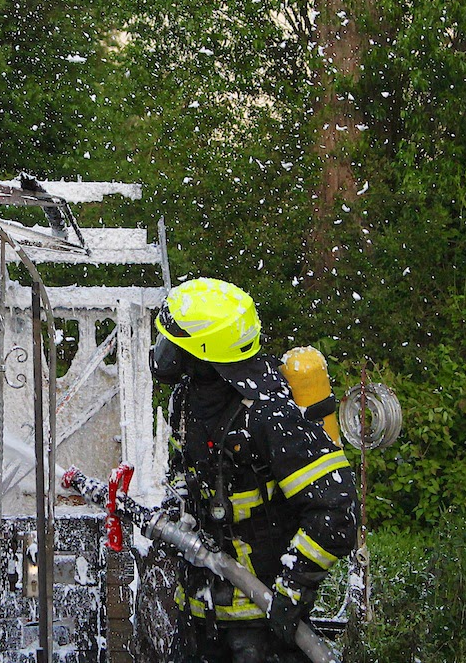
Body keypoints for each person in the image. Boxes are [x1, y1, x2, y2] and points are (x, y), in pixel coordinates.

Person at [151, 277, 359, 663]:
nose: (164, 354)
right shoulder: (186, 399)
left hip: (262, 627)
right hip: (199, 614)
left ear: (205, 352)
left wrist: (293, 589)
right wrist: (175, 510)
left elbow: (336, 510)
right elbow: (183, 473)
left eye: (174, 345)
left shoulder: (270, 412)